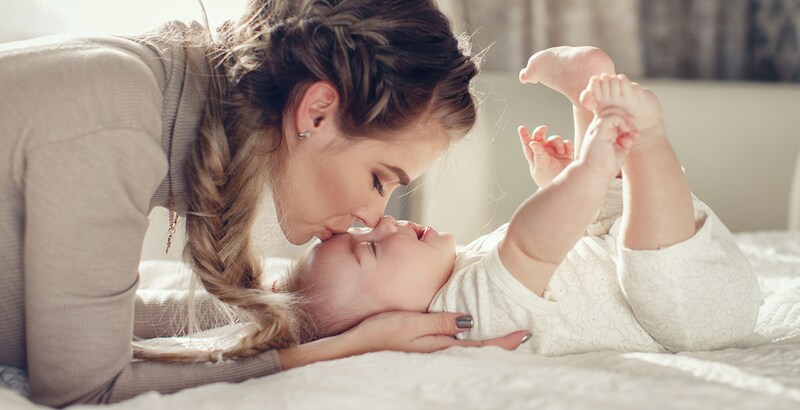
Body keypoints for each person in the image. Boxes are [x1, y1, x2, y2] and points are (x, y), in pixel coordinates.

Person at [0, 0, 529, 406]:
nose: (373, 216)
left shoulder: (150, 96)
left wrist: (299, 317)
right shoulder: (114, 124)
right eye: (378, 178)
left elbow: (80, 330)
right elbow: (85, 391)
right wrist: (334, 350)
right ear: (317, 112)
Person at [282, 48, 761, 356]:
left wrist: (566, 189)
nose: (384, 222)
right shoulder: (458, 317)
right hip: (693, 316)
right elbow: (532, 247)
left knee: (612, 215)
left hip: (628, 259)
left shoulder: (459, 269)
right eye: (372, 249)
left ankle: (588, 99)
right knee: (647, 253)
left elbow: (553, 248)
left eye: (370, 233)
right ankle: (646, 138)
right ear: (391, 324)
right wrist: (583, 175)